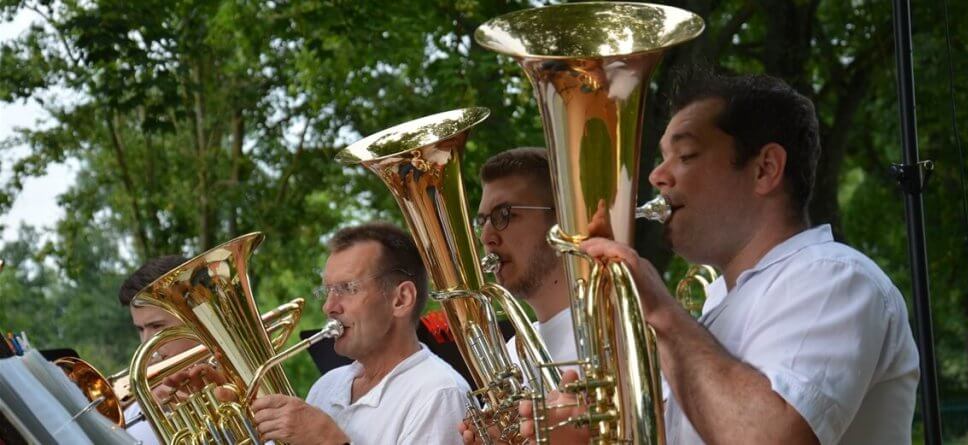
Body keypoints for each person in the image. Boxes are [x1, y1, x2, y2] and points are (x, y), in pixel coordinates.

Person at [523, 73, 920, 444]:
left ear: (765, 169)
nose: (656, 176)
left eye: (687, 154)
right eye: (663, 157)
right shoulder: (717, 302)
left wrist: (657, 307)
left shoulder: (832, 277)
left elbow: (765, 437)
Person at [250, 222, 472, 445]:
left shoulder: (439, 393)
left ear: (401, 299)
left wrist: (327, 441)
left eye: (347, 288)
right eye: (327, 291)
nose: (329, 307)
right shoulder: (327, 385)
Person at [458, 147, 577, 444]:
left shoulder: (617, 333)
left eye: (504, 215)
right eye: (482, 220)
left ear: (561, 220)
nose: (486, 237)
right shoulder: (513, 351)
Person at [117, 254, 191, 445]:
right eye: (140, 329)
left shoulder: (244, 393)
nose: (146, 344)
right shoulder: (130, 414)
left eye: (157, 326)